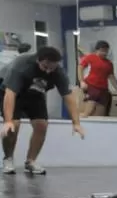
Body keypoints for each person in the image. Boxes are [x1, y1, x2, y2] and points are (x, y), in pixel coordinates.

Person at [0, 47, 84, 175]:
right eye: (45, 67)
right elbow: (10, 94)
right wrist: (8, 121)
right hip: (10, 92)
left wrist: (76, 123)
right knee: (13, 126)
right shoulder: (22, 65)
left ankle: (31, 162)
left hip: (35, 92)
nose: (49, 71)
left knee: (41, 125)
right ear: (38, 60)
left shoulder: (58, 72)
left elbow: (69, 96)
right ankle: (8, 159)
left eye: (52, 68)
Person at [78, 40, 117, 117]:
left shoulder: (109, 63)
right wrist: (81, 81)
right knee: (88, 112)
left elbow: (112, 78)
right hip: (92, 87)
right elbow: (80, 68)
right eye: (102, 51)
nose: (104, 53)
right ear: (97, 50)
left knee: (101, 116)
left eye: (106, 51)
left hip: (103, 90)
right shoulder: (90, 57)